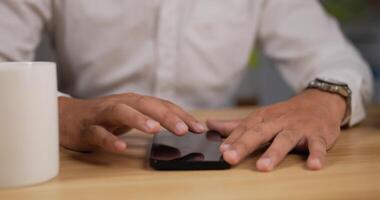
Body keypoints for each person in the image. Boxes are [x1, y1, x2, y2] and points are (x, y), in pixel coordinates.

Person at [0, 0, 373, 172]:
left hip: (224, 172)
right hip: (86, 164)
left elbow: (337, 58)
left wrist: (326, 97)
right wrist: (59, 111)